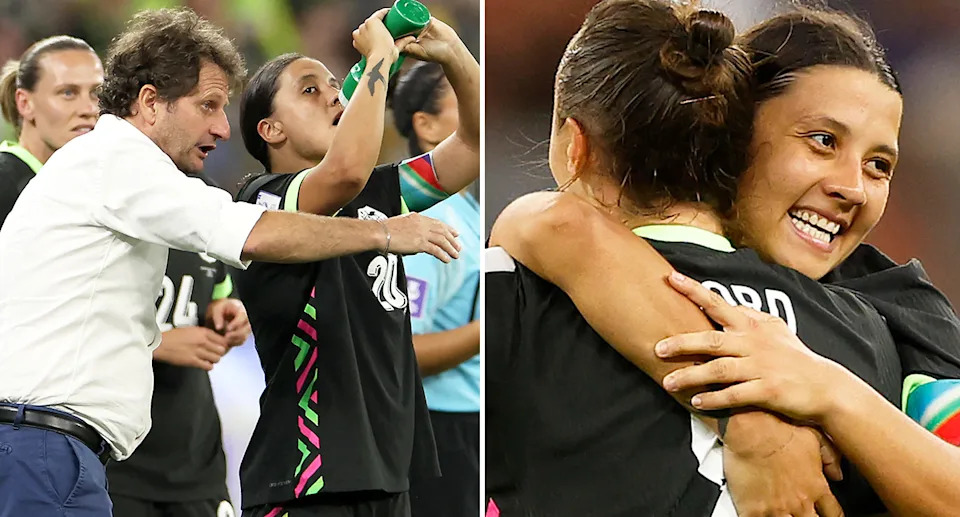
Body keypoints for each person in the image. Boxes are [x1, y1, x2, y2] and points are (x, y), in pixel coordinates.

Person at [489, 4, 960, 516]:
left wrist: (832, 391)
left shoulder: (897, 311)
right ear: (734, 133)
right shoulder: (869, 332)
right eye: (822, 141)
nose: (850, 187)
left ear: (573, 145)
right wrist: (754, 420)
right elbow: (560, 226)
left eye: (879, 165)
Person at [0, 8, 459, 517]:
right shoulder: (120, 162)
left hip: (51, 447)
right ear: (151, 103)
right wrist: (385, 231)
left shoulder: (107, 168)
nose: (222, 127)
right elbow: (258, 229)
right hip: (46, 445)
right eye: (209, 105)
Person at [232, 8, 479, 517]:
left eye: (332, 85)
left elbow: (473, 147)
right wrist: (380, 60)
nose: (331, 95)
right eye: (308, 90)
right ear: (270, 130)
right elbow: (343, 171)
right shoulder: (263, 202)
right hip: (309, 476)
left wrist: (452, 50)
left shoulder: (381, 192)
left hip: (387, 473)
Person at [107, 175, 250, 517]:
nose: (221, 129)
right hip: (115, 464)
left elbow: (217, 291)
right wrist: (155, 345)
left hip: (197, 462)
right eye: (206, 115)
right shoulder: (107, 196)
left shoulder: (205, 197)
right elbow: (61, 322)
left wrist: (229, 314)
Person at [392, 62, 480, 517]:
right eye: (464, 101)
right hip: (440, 429)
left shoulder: (463, 209)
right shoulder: (435, 221)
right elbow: (404, 349)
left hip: (464, 424)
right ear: (425, 126)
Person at [0, 35, 102, 226]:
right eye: (68, 93)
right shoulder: (5, 184)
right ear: (25, 103)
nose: (89, 109)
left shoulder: (95, 186)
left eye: (96, 92)